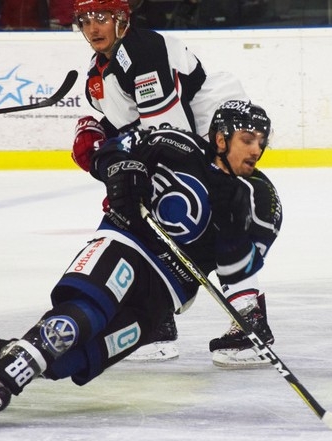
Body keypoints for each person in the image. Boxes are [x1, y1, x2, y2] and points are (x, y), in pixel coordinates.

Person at [0, 100, 283, 422]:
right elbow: (116, 145)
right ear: (221, 138)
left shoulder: (261, 199)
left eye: (261, 142)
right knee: (79, 318)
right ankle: (0, 385)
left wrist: (235, 236)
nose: (257, 149)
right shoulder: (177, 144)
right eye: (248, 139)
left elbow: (241, 272)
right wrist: (119, 167)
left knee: (73, 360)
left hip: (166, 294)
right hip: (126, 242)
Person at [71, 0, 253, 361]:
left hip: (212, 137)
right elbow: (131, 124)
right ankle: (158, 323)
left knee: (212, 221)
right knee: (149, 222)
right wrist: (98, 133)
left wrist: (119, 166)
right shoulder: (102, 65)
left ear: (121, 19)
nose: (93, 28)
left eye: (101, 18)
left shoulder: (144, 50)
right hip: (184, 138)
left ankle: (251, 323)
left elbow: (167, 135)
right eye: (85, 20)